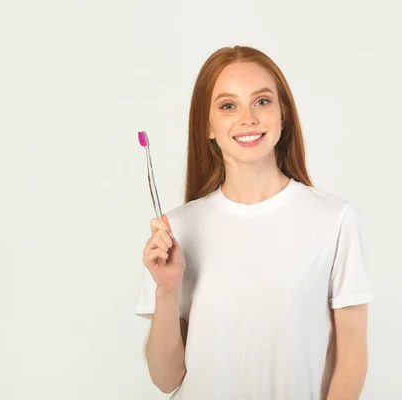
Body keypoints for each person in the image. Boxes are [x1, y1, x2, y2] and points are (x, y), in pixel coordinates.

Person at [134, 45, 373, 400]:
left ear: (283, 115)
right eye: (228, 105)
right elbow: (166, 379)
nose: (248, 117)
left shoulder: (334, 219)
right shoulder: (176, 231)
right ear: (207, 127)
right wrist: (166, 291)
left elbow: (350, 358)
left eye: (262, 101)